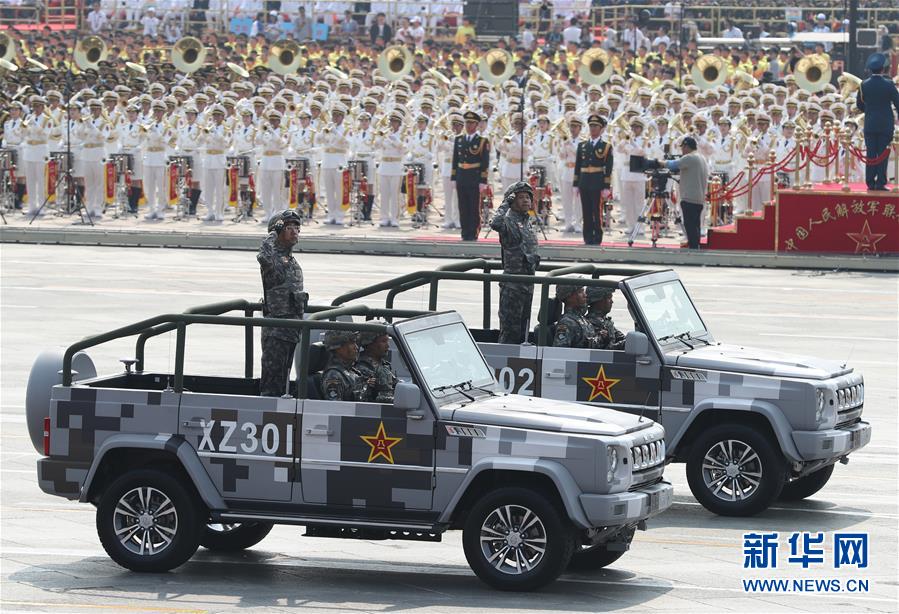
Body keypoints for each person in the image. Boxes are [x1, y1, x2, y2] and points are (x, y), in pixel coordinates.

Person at [258, 210, 306, 397]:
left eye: (297, 227)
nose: (295, 231)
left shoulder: (290, 259)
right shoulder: (272, 257)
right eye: (288, 228)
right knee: (272, 385)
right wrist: (273, 233)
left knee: (284, 382)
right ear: (278, 232)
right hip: (276, 332)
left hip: (291, 332)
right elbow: (263, 256)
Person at [491, 181, 539, 345]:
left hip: (527, 283)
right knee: (510, 331)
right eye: (520, 197)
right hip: (513, 285)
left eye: (528, 197)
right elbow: (495, 223)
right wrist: (505, 204)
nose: (526, 200)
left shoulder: (527, 222)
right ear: (512, 201)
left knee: (524, 331)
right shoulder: (508, 220)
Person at [650, 136, 708, 249]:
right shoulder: (701, 157)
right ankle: (696, 246)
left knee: (690, 226)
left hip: (689, 198)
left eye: (683, 147)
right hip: (699, 198)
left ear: (686, 147)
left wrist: (658, 162)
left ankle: (693, 249)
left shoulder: (690, 157)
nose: (682, 150)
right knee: (696, 226)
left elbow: (673, 164)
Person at [856, 53, 899, 191]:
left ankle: (870, 182)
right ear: (883, 69)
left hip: (869, 123)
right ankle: (880, 182)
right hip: (885, 124)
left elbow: (859, 105)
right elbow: (897, 103)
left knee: (871, 154)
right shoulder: (889, 84)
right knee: (882, 154)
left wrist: (869, 110)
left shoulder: (864, 85)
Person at [574, 114, 613, 245]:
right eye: (591, 126)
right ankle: (587, 237)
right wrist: (576, 184)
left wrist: (607, 186)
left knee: (597, 211)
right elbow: (578, 165)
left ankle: (597, 237)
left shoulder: (606, 146)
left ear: (601, 129)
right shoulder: (582, 145)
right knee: (586, 211)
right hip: (584, 181)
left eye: (595, 126)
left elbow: (608, 167)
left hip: (597, 182)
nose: (593, 129)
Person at [451, 110, 490, 241]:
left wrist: (483, 180)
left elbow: (485, 162)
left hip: (474, 177)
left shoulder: (482, 142)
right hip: (462, 176)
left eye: (471, 123)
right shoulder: (459, 140)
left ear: (477, 125)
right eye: (467, 123)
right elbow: (455, 160)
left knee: (473, 207)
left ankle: (473, 233)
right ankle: (464, 232)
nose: (468, 126)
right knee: (463, 207)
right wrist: (454, 177)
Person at [321, 330, 369, 401]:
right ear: (338, 348)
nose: (356, 347)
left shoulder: (352, 371)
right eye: (351, 343)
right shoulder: (333, 376)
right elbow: (336, 408)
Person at [356, 327, 398, 403]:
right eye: (383, 341)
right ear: (370, 344)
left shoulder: (384, 365)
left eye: (387, 341)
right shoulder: (362, 367)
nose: (388, 346)